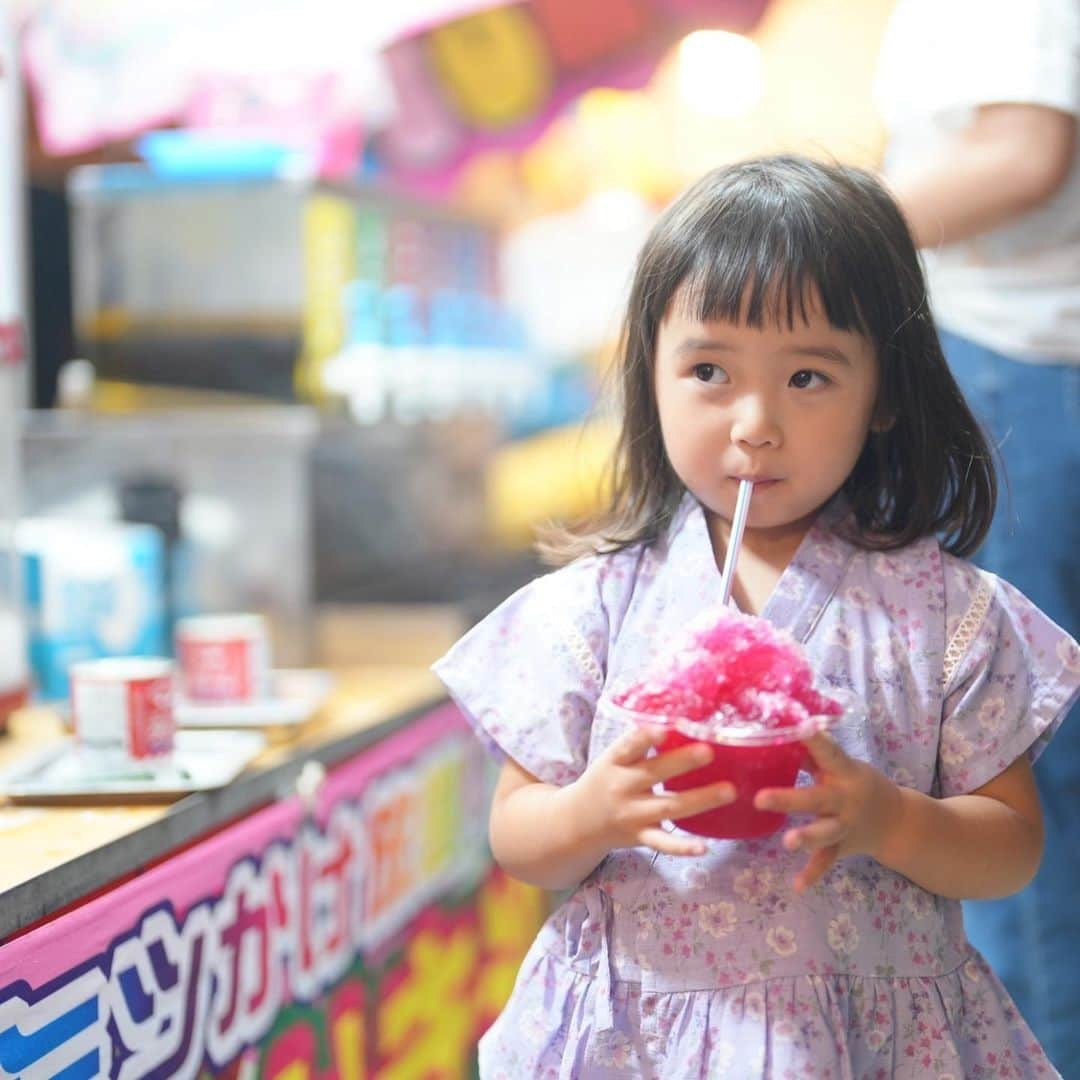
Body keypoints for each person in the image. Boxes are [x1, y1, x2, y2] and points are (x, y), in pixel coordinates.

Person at [433, 156, 1080, 1078]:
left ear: (885, 391)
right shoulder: (594, 609)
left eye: (809, 377)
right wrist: (592, 810)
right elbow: (519, 840)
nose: (755, 422)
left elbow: (1013, 847)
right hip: (642, 1038)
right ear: (647, 377)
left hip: (871, 1042)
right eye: (708, 369)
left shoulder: (944, 614)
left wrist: (887, 819)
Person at [875, 1, 1080, 1069]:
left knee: (1009, 767)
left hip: (1019, 373)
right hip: (1017, 374)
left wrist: (828, 222)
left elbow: (1025, 148)